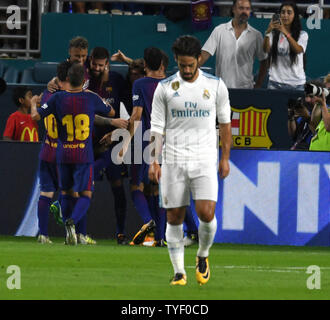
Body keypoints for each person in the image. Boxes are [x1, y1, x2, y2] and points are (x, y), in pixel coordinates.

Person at [148, 35, 232, 286]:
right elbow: (156, 129)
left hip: (205, 158)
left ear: (199, 60)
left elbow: (225, 125)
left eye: (190, 65)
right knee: (174, 216)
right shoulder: (164, 89)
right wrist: (154, 161)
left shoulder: (216, 86)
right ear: (176, 60)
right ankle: (178, 272)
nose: (186, 70)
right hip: (173, 160)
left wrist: (225, 158)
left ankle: (203, 255)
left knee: (206, 213)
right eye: (182, 65)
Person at [31, 62, 113, 245]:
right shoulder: (88, 98)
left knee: (57, 193)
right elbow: (108, 111)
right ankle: (77, 228)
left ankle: (45, 234)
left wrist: (32, 104)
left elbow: (36, 116)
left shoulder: (51, 97)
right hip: (81, 153)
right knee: (83, 194)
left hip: (56, 151)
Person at [119, 47, 168, 247]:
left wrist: (125, 142)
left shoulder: (139, 84)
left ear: (145, 65)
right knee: (158, 189)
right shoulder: (171, 84)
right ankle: (161, 237)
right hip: (166, 142)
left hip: (145, 140)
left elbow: (137, 116)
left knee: (136, 187)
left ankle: (148, 221)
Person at [88, 46, 131, 245]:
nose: (96, 68)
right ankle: (79, 230)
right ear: (90, 62)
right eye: (94, 64)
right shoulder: (84, 80)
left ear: (107, 64)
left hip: (113, 141)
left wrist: (116, 133)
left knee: (117, 186)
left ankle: (121, 233)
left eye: (101, 65)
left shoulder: (116, 80)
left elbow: (131, 113)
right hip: (89, 141)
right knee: (85, 186)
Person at [35, 60, 72, 244]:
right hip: (64, 154)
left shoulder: (47, 94)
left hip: (46, 150)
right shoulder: (66, 98)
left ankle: (43, 234)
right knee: (69, 193)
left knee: (46, 193)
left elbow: (38, 114)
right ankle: (70, 234)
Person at [200, 0, 268, 88]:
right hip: (222, 89)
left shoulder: (256, 35)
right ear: (233, 9)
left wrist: (258, 84)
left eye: (247, 9)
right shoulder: (219, 30)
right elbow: (204, 55)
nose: (244, 12)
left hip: (246, 90)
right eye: (241, 8)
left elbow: (264, 61)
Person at [263, 2, 308, 90]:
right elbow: (266, 49)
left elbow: (298, 50)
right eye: (283, 12)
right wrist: (268, 32)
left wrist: (285, 32)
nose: (285, 15)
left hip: (296, 84)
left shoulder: (302, 34)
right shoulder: (273, 33)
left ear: (295, 15)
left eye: (289, 12)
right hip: (275, 83)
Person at [309, 78, 330, 151]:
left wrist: (323, 104)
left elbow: (328, 127)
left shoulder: (325, 107)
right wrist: (319, 103)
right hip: (316, 155)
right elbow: (314, 123)